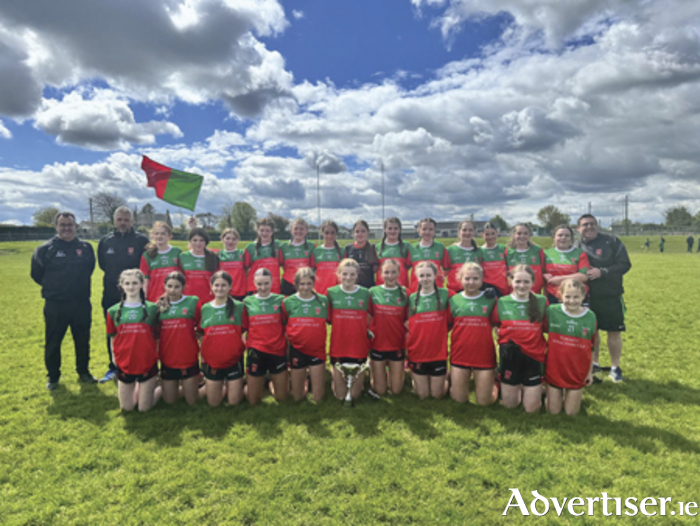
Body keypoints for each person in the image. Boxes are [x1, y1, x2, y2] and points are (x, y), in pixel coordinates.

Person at [31, 211, 97, 390]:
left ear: (75, 226)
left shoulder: (85, 247)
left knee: (82, 339)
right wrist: (56, 289)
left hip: (81, 302)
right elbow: (36, 274)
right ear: (56, 227)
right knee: (53, 341)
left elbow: (90, 269)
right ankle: (53, 377)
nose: (67, 228)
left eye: (70, 224)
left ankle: (83, 372)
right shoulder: (45, 249)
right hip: (56, 304)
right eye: (63, 225)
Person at [575, 214, 631, 383]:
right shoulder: (576, 246)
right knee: (592, 332)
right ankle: (595, 364)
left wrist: (603, 272)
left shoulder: (611, 241)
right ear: (579, 228)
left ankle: (615, 367)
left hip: (610, 295)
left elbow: (625, 264)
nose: (589, 227)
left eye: (592, 224)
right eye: (585, 225)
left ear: (597, 226)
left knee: (613, 331)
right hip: (586, 297)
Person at [96, 206, 149, 383]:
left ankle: (140, 365)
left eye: (126, 220)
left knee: (138, 330)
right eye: (119, 219)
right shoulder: (105, 241)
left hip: (136, 295)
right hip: (111, 294)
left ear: (132, 221)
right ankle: (114, 367)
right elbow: (103, 265)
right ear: (114, 221)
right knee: (113, 331)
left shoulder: (141, 240)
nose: (123, 223)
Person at [492, 265, 547, 413]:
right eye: (518, 281)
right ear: (511, 281)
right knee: (510, 406)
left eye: (526, 282)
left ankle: (539, 390)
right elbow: (495, 324)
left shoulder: (541, 301)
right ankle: (499, 383)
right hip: (511, 356)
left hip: (533, 356)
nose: (522, 286)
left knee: (531, 409)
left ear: (533, 282)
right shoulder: (502, 302)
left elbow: (547, 327)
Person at [106, 269, 160, 411]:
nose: (131, 287)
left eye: (135, 283)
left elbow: (157, 335)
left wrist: (157, 354)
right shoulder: (113, 311)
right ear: (122, 285)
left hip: (146, 360)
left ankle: (159, 389)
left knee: (143, 409)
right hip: (125, 360)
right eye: (127, 283)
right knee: (127, 408)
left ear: (142, 284)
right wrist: (113, 356)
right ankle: (138, 387)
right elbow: (112, 335)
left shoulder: (153, 308)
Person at [545, 279, 597, 416]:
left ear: (583, 296)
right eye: (567, 296)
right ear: (560, 295)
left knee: (571, 414)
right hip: (555, 368)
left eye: (576, 297)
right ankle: (545, 393)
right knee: (553, 412)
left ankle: (571, 398)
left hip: (577, 370)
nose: (572, 301)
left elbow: (591, 347)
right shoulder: (552, 311)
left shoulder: (590, 316)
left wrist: (589, 372)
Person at [448, 263, 497, 406]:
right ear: (460, 280)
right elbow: (447, 325)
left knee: (484, 402)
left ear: (482, 280)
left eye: (475, 279)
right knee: (459, 400)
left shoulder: (491, 299)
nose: (471, 282)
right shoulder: (454, 300)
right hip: (460, 353)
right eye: (467, 278)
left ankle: (496, 386)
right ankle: (449, 380)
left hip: (484, 354)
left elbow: (497, 323)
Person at [327, 259, 373, 401]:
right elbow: (329, 318)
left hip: (358, 345)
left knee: (354, 396)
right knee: (341, 396)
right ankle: (333, 373)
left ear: (357, 275)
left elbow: (370, 316)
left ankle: (361, 377)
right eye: (345, 274)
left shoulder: (365, 293)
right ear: (339, 274)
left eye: (352, 274)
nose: (348, 278)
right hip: (339, 345)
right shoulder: (331, 293)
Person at [199, 271, 247, 407]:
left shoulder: (239, 307)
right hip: (213, 361)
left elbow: (244, 331)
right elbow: (201, 334)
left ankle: (235, 386)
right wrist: (203, 358)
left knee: (234, 403)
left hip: (233, 359)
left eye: (223, 285)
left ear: (230, 287)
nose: (220, 289)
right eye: (217, 285)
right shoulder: (205, 308)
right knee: (213, 404)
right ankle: (212, 386)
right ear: (211, 287)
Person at [406, 261, 451, 399]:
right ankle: (416, 377)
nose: (425, 279)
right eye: (422, 276)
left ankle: (449, 377)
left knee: (437, 395)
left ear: (435, 276)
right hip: (418, 350)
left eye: (428, 275)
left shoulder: (445, 294)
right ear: (417, 277)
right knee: (423, 396)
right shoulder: (412, 298)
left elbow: (466, 298)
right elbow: (407, 324)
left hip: (438, 351)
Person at [283, 268, 329, 402]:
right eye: (302, 284)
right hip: (297, 349)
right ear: (296, 284)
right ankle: (305, 382)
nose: (305, 287)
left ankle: (311, 381)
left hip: (316, 350)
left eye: (309, 283)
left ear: (313, 283)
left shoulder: (323, 301)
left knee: (319, 398)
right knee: (297, 398)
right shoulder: (288, 302)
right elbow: (284, 322)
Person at [244, 268, 289, 404]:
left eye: (266, 283)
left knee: (282, 398)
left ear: (272, 282)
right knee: (253, 401)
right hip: (256, 351)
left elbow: (288, 324)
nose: (263, 288)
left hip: (277, 350)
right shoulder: (247, 302)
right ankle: (248, 384)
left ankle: (270, 383)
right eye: (259, 284)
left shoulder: (281, 300)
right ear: (254, 283)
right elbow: (243, 328)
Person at [156, 272, 201, 406]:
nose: (172, 290)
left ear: (183, 287)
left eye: (177, 286)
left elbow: (201, 327)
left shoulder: (193, 302)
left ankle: (205, 385)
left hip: (188, 357)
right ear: (164, 286)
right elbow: (156, 334)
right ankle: (157, 387)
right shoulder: (159, 305)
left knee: (192, 402)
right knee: (170, 402)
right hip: (168, 358)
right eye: (169, 286)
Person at [369, 259, 409, 396]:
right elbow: (367, 319)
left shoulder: (405, 293)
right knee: (380, 390)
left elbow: (408, 323)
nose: (390, 275)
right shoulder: (373, 292)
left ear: (399, 273)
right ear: (380, 273)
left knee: (396, 390)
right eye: (386, 272)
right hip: (378, 344)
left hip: (397, 344)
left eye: (393, 272)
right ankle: (374, 373)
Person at [542, 224, 589, 304]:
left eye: (567, 236)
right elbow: (539, 271)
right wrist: (544, 275)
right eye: (560, 235)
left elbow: (584, 276)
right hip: (552, 295)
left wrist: (560, 280)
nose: (563, 238)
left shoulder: (580, 253)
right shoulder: (546, 253)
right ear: (554, 238)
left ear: (571, 238)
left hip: (575, 296)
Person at [140, 222, 182, 303]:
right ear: (153, 236)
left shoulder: (177, 252)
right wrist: (144, 296)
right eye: (157, 233)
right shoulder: (147, 255)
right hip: (154, 297)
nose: (159, 236)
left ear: (170, 236)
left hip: (174, 296)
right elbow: (145, 279)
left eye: (163, 234)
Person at [179, 228, 219, 305]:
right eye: (195, 240)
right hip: (188, 299)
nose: (198, 243)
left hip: (209, 300)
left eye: (201, 240)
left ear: (206, 242)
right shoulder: (183, 256)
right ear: (190, 241)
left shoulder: (213, 257)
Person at [407, 217, 447, 294]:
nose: (427, 232)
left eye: (431, 229)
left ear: (435, 231)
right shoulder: (412, 247)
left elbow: (447, 268)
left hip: (436, 288)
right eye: (424, 229)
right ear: (418, 230)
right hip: (416, 288)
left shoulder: (440, 247)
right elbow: (406, 267)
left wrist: (440, 277)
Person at [444, 219, 483, 294]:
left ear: (474, 232)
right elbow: (444, 273)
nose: (467, 233)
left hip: (473, 291)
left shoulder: (479, 251)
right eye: (464, 230)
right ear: (459, 232)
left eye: (470, 230)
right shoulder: (449, 250)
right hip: (454, 292)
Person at [244, 218, 282, 295]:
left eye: (267, 231)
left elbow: (282, 263)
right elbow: (246, 268)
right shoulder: (250, 247)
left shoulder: (278, 245)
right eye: (262, 230)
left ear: (272, 232)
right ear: (257, 230)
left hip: (274, 287)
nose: (264, 233)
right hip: (255, 287)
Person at [505, 223, 545, 294]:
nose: (522, 236)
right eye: (519, 233)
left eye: (525, 233)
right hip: (515, 293)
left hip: (535, 293)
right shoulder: (508, 251)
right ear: (514, 234)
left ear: (529, 235)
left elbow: (543, 269)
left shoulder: (537, 250)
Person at [280, 218, 315, 296]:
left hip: (305, 283)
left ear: (306, 231)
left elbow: (313, 266)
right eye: (296, 229)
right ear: (291, 230)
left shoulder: (312, 246)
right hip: (288, 283)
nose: (298, 231)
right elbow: (281, 264)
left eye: (301, 229)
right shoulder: (283, 246)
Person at [375, 217, 411, 288]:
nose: (393, 231)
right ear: (385, 230)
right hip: (382, 285)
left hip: (401, 285)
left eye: (395, 228)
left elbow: (409, 265)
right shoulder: (378, 247)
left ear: (400, 230)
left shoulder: (406, 246)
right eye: (390, 228)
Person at [343, 219, 379, 289]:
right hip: (352, 287)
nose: (360, 234)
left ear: (368, 232)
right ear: (353, 233)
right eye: (357, 231)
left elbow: (377, 268)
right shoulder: (348, 248)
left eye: (363, 231)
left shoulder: (373, 248)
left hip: (369, 288)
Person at [311, 220, 342, 295]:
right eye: (327, 233)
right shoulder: (316, 251)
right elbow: (311, 271)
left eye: (332, 233)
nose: (329, 236)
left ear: (336, 234)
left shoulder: (342, 250)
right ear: (322, 233)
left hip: (337, 291)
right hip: (319, 290)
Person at [480, 222, 508, 297]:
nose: (490, 237)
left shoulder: (504, 248)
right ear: (482, 235)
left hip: (503, 288)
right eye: (487, 234)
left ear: (497, 233)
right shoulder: (479, 251)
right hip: (486, 288)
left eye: (493, 233)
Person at [217, 228, 246, 301]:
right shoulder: (218, 255)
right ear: (222, 239)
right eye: (228, 238)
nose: (230, 241)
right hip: (223, 291)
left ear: (238, 240)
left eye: (234, 239)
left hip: (241, 292)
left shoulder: (243, 253)